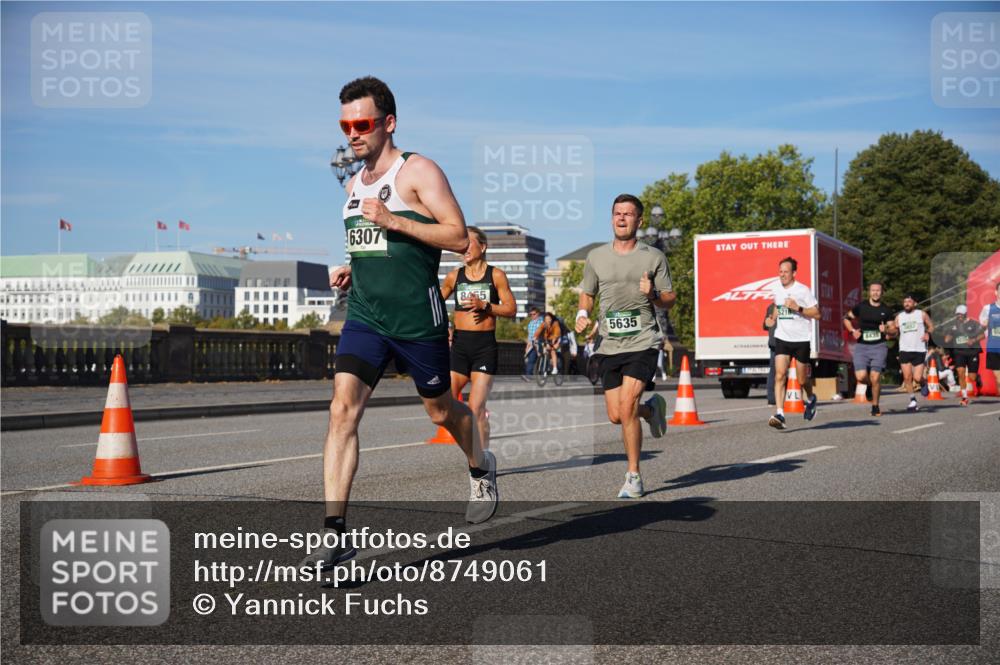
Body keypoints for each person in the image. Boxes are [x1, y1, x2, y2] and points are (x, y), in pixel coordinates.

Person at [305, 77, 497, 572]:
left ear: (388, 123)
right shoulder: (353, 184)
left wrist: (398, 222)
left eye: (362, 123)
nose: (353, 134)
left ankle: (480, 464)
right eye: (346, 125)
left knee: (441, 413)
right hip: (366, 317)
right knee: (341, 411)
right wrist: (354, 266)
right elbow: (368, 241)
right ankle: (334, 536)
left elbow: (459, 237)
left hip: (417, 319)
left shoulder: (419, 170)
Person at [576, 194, 674, 498]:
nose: (621, 218)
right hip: (608, 344)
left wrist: (653, 293)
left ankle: (633, 476)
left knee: (627, 405)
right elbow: (587, 294)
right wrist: (582, 314)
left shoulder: (653, 256)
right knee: (616, 415)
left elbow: (669, 299)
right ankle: (651, 410)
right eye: (617, 213)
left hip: (643, 340)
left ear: (639, 221)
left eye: (628, 214)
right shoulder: (596, 257)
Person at [440, 226, 517, 451]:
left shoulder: (496, 275)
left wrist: (486, 306)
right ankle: (469, 433)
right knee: (443, 401)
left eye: (468, 243)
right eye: (461, 244)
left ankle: (483, 460)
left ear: (482, 247)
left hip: (484, 346)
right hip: (460, 345)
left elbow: (511, 309)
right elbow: (433, 301)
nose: (463, 248)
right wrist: (443, 323)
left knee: (475, 407)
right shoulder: (455, 276)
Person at [768, 257, 821, 429]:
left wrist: (798, 308)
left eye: (786, 272)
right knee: (779, 375)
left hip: (801, 340)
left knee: (801, 379)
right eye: (780, 271)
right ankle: (780, 413)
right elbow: (777, 306)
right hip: (782, 337)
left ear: (794, 273)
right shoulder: (776, 288)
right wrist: (771, 318)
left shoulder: (803, 290)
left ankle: (811, 398)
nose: (782, 275)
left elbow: (817, 313)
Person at [843, 282, 896, 417]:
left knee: (875, 376)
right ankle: (870, 386)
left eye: (878, 291)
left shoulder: (887, 310)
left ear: (882, 292)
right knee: (861, 376)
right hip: (862, 346)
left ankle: (875, 406)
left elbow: (894, 331)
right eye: (873, 290)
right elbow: (846, 318)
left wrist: (887, 329)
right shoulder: (861, 307)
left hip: (879, 346)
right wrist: (853, 330)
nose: (875, 293)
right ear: (869, 292)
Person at [940, 304, 985, 406]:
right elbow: (948, 338)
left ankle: (977, 378)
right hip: (959, 352)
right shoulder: (954, 325)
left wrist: (974, 340)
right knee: (960, 372)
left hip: (972, 352)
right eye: (957, 314)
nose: (959, 316)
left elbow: (982, 335)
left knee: (971, 377)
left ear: (965, 314)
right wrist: (946, 337)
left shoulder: (974, 323)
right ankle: (965, 397)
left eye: (961, 314)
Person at [895, 294, 934, 412]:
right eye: (905, 302)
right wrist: (888, 332)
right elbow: (895, 331)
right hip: (904, 349)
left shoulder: (921, 314)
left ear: (915, 304)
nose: (907, 303)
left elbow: (931, 326)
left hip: (919, 349)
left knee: (917, 377)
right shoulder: (899, 317)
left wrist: (928, 333)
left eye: (909, 301)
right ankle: (912, 400)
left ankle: (923, 383)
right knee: (907, 377)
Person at [978, 282, 1000, 415]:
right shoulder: (988, 308)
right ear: (996, 292)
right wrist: (984, 325)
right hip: (994, 348)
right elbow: (982, 327)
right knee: (999, 378)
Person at [763, 302, 778, 406]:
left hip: (774, 342)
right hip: (782, 342)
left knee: (773, 370)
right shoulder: (788, 305)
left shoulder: (771, 306)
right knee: (782, 372)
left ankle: (771, 399)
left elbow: (765, 325)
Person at [523, 306, 543, 380]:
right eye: (531, 314)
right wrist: (527, 345)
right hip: (532, 344)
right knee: (529, 359)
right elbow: (529, 335)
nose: (532, 316)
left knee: (535, 359)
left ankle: (531, 375)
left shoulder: (542, 322)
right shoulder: (530, 323)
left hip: (540, 343)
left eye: (534, 314)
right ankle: (529, 375)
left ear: (538, 314)